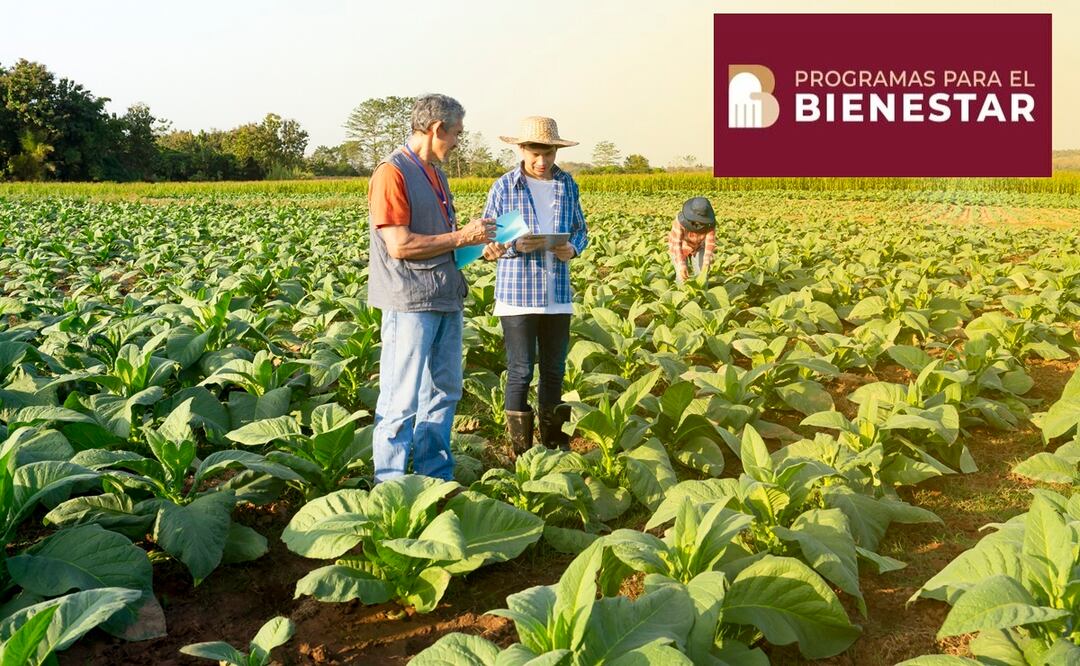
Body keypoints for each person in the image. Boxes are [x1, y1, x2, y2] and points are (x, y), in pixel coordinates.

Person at [367, 94, 497, 482]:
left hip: (445, 296)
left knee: (443, 392)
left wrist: (481, 243)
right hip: (410, 302)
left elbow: (444, 241)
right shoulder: (392, 173)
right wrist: (460, 237)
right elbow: (400, 245)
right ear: (438, 129)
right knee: (400, 398)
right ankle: (389, 485)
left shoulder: (436, 175)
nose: (458, 141)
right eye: (456, 133)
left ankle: (434, 480)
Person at [484, 116, 588, 453]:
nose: (542, 162)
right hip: (517, 294)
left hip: (556, 292)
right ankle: (522, 451)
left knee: (555, 370)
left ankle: (554, 443)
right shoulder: (504, 186)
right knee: (520, 370)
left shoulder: (566, 185)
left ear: (556, 151)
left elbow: (580, 229)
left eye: (549, 154)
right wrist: (514, 246)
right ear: (522, 149)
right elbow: (487, 241)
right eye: (535, 154)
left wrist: (572, 248)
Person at [669, 196, 717, 283]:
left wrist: (706, 265)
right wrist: (681, 266)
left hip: (698, 246)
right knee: (681, 277)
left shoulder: (710, 224)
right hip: (681, 247)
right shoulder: (680, 222)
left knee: (703, 276)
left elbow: (710, 245)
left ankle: (702, 295)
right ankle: (682, 294)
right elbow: (676, 244)